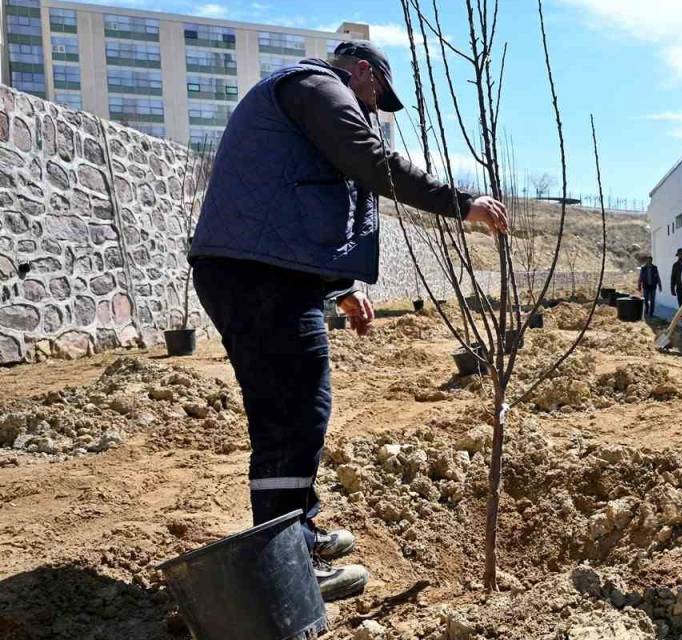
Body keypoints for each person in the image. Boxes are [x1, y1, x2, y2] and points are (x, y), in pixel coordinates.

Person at [188, 41, 508, 600]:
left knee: (294, 410)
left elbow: (295, 204)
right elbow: (371, 161)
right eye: (378, 96)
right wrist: (462, 204)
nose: (376, 110)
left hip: (268, 273)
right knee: (293, 412)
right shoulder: (318, 88)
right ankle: (288, 565)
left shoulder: (305, 99)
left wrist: (339, 287)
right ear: (363, 71)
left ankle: (295, 534)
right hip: (260, 279)